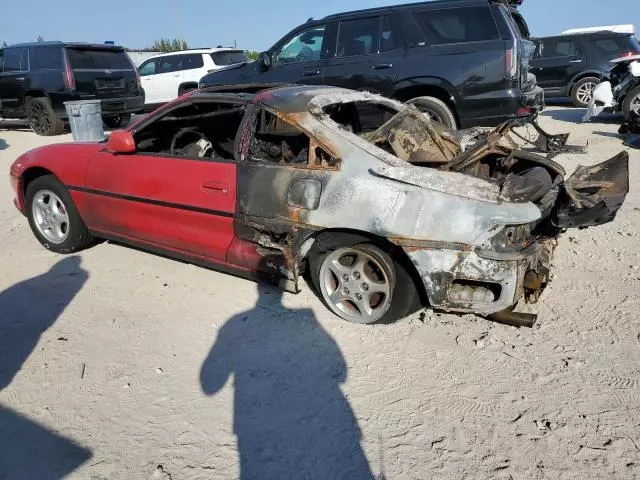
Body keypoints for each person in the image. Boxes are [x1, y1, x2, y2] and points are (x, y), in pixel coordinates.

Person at [200, 283, 373, 480]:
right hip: (317, 424)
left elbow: (209, 386)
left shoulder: (234, 323)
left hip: (257, 429)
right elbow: (341, 372)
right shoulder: (307, 318)